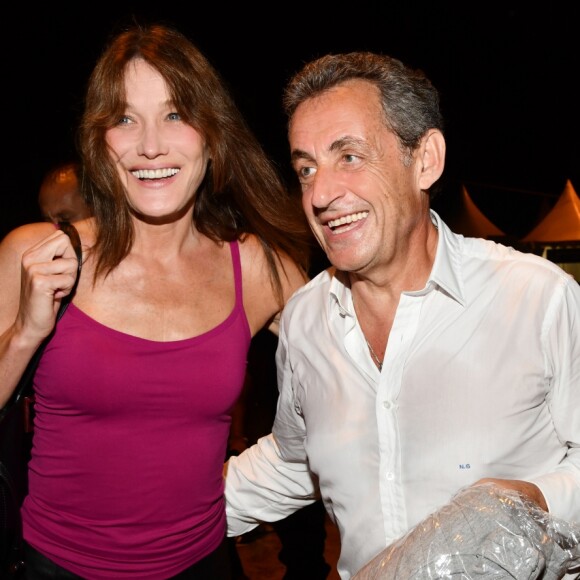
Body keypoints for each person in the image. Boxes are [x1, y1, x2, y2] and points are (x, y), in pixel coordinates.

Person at [224, 51, 580, 579]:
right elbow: (295, 459)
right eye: (306, 167)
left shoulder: (535, 298)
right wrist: (161, 511)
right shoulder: (304, 320)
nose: (320, 194)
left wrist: (526, 503)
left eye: (349, 156)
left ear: (425, 160)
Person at [0, 22, 311, 579]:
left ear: (212, 135)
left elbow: (361, 375)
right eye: (124, 118)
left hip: (204, 566)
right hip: (58, 568)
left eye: (175, 114)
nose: (150, 145)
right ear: (100, 141)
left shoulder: (259, 269)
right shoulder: (38, 254)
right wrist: (25, 331)